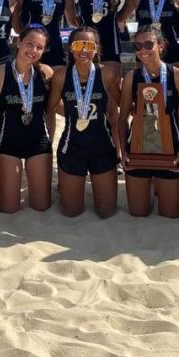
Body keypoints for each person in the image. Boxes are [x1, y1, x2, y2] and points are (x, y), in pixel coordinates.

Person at [119, 24, 179, 218]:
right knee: (138, 212)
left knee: (170, 214)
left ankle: (165, 185)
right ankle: (151, 186)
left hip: (170, 150)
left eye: (148, 44)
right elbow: (122, 118)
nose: (142, 50)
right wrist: (124, 151)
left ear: (161, 45)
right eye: (137, 46)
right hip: (138, 149)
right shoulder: (130, 78)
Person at [0, 25, 53, 213]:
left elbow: (55, 105)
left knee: (41, 206)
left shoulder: (46, 73)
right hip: (7, 142)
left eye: (39, 47)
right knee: (8, 208)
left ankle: (4, 180)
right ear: (18, 42)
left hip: (38, 142)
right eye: (29, 44)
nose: (33, 51)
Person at [48, 26, 120, 218]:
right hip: (72, 146)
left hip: (102, 146)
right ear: (71, 48)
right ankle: (65, 182)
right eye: (78, 44)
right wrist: (74, 113)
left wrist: (121, 150)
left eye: (89, 45)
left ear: (96, 48)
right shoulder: (61, 76)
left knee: (106, 211)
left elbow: (120, 108)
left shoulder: (108, 74)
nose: (83, 49)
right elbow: (50, 108)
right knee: (71, 211)